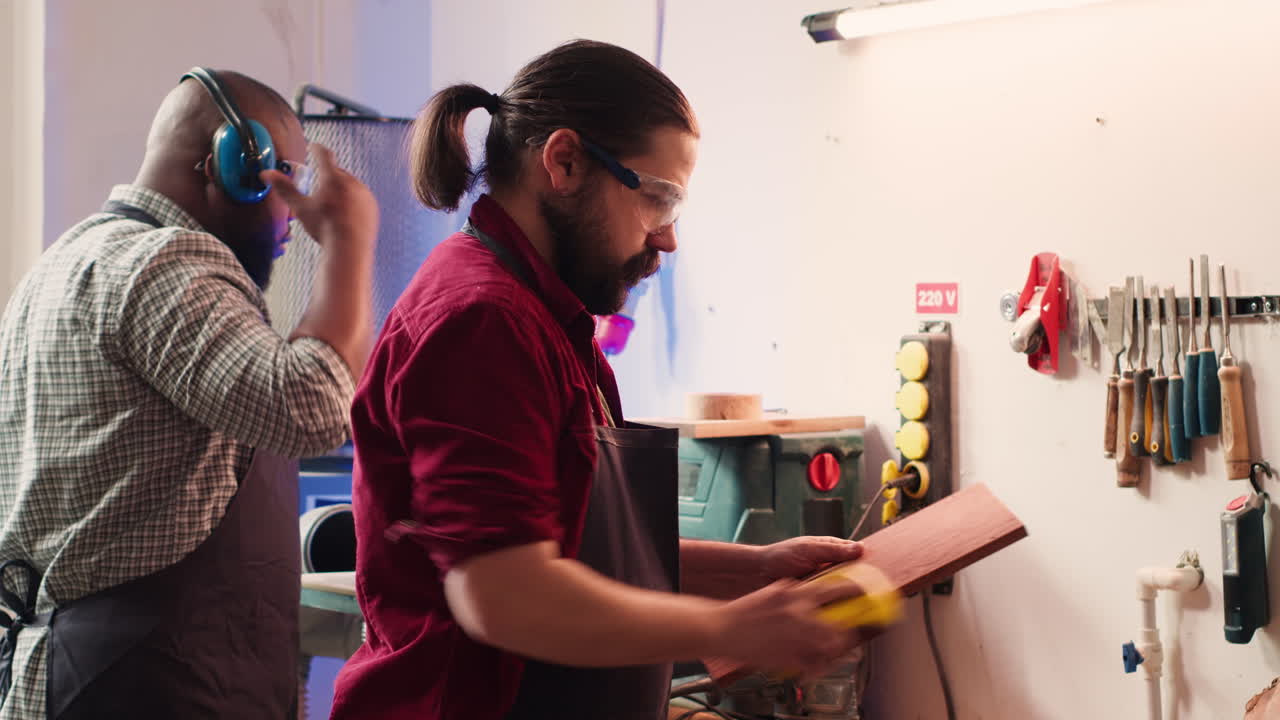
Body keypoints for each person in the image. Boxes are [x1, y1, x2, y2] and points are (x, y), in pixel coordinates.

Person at [331, 40, 867, 720]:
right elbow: (504, 594)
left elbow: (570, 542)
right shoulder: (482, 321)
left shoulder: (547, 319)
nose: (668, 239)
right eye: (658, 202)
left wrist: (752, 571)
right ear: (564, 162)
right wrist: (730, 628)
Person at [0, 67, 377, 719]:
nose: (293, 217)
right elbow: (312, 406)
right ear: (229, 164)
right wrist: (348, 244)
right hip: (148, 686)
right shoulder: (166, 262)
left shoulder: (60, 264)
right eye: (286, 179)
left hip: (85, 676)